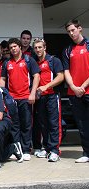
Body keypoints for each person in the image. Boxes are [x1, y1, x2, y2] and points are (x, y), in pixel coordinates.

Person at [0, 38, 40, 161]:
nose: (13, 49)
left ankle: (26, 149)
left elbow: (36, 76)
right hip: (12, 99)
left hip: (26, 98)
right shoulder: (7, 63)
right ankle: (17, 149)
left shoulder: (29, 60)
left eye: (15, 46)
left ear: (20, 47)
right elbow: (2, 79)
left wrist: (32, 93)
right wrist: (3, 94)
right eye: (11, 48)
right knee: (14, 125)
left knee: (26, 124)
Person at [33, 38, 64, 162]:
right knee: (43, 123)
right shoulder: (35, 62)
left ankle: (55, 150)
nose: (38, 50)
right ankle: (46, 148)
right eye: (35, 48)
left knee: (54, 123)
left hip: (52, 95)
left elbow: (61, 76)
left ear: (45, 47)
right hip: (41, 98)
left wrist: (46, 86)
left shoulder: (53, 60)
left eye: (40, 47)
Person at [62, 19, 89, 163]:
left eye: (73, 30)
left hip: (87, 90)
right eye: (69, 31)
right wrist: (73, 87)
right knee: (82, 124)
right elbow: (66, 71)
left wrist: (83, 87)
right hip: (74, 93)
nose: (71, 33)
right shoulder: (67, 50)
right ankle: (86, 153)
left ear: (80, 28)